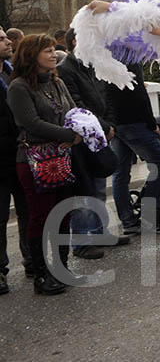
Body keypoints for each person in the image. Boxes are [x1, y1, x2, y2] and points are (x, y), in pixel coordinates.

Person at [7, 34, 82, 295]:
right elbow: (31, 123)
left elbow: (72, 112)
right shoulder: (19, 86)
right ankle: (41, 275)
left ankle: (61, 267)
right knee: (40, 216)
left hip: (61, 157)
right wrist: (69, 135)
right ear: (31, 55)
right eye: (47, 51)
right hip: (33, 160)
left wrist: (85, 129)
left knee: (64, 213)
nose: (53, 54)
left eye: (54, 50)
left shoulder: (56, 81)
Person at [57, 28, 129, 259]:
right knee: (83, 191)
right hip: (81, 140)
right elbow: (76, 105)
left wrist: (109, 125)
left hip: (100, 135)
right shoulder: (65, 70)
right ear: (76, 41)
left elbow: (106, 98)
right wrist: (102, 126)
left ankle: (100, 233)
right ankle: (82, 241)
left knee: (98, 188)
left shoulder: (92, 67)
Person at [105, 62, 160, 235]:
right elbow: (139, 96)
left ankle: (128, 220)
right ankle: (150, 217)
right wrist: (152, 125)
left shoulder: (106, 60)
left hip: (116, 123)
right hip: (134, 122)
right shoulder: (130, 61)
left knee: (120, 173)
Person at [0, 28, 32, 294]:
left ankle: (32, 258)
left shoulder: (12, 73)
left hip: (19, 153)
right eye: (0, 39)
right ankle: (1, 270)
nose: (8, 41)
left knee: (27, 210)